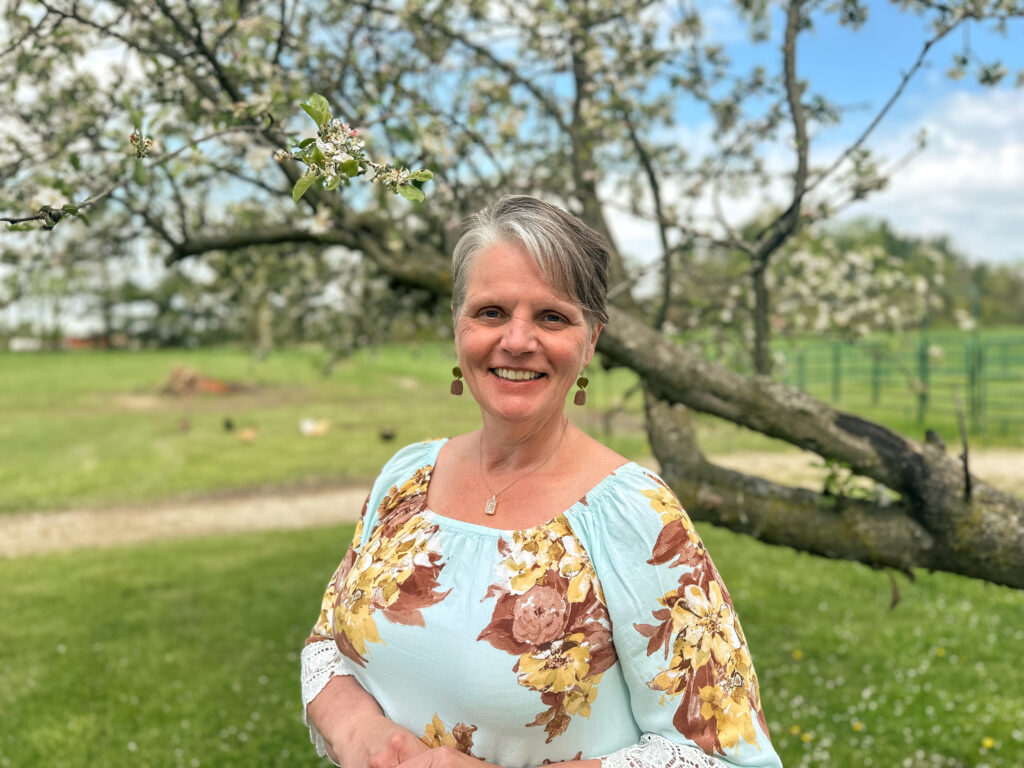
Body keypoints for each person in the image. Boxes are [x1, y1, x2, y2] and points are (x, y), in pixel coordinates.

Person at [301, 196, 782, 768]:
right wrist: (365, 737)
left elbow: (724, 758)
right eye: (491, 312)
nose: (518, 340)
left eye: (552, 317)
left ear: (591, 340)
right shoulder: (405, 478)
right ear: (459, 326)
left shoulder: (637, 515)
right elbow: (326, 645)